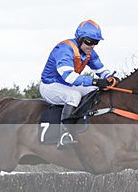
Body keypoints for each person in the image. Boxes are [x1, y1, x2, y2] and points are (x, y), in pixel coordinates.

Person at [39, 19, 117, 149]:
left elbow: (100, 70)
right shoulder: (64, 49)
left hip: (67, 85)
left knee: (95, 91)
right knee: (73, 96)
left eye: (95, 42)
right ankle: (65, 135)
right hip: (50, 86)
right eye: (89, 41)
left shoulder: (89, 52)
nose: (92, 46)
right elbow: (69, 77)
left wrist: (110, 78)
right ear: (80, 39)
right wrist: (94, 81)